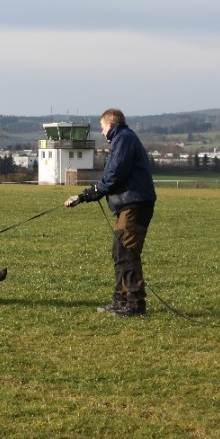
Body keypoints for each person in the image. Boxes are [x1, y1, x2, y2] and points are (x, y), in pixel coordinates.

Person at [64, 108, 156, 317]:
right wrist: (87, 195)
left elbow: (114, 175)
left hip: (134, 205)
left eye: (103, 128)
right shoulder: (123, 139)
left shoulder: (123, 139)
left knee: (127, 253)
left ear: (111, 124)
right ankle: (120, 300)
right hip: (128, 205)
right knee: (119, 252)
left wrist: (85, 195)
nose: (103, 133)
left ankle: (134, 305)